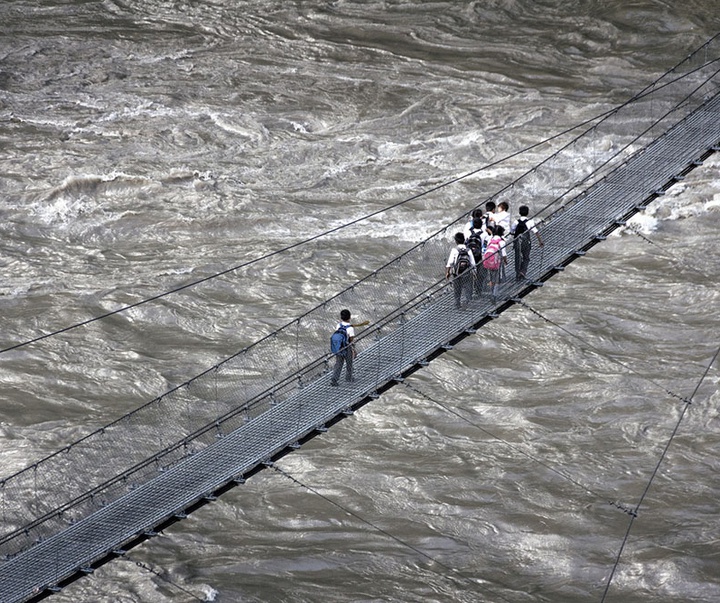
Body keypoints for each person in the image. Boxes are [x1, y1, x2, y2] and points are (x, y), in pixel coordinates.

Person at [510, 205, 544, 280]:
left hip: (517, 242)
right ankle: (523, 271)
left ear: (519, 212)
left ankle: (517, 274)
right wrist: (540, 241)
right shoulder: (530, 222)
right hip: (526, 242)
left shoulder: (516, 222)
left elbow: (511, 231)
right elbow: (536, 232)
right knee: (526, 257)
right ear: (527, 213)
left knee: (517, 258)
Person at [445, 232, 476, 309]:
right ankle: (466, 303)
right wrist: (475, 272)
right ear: (464, 240)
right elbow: (473, 263)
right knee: (467, 288)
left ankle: (457, 304)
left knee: (457, 289)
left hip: (456, 273)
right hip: (467, 273)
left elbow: (450, 263)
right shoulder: (468, 250)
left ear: (456, 241)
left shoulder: (454, 250)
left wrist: (448, 272)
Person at [330, 309, 356, 385]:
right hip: (347, 347)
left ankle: (334, 379)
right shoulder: (350, 328)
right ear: (349, 317)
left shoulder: (338, 325)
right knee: (349, 363)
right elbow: (351, 340)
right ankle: (349, 378)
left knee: (338, 363)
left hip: (339, 347)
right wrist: (353, 349)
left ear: (341, 317)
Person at [481, 224, 507, 297]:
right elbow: (504, 254)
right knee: (497, 280)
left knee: (491, 279)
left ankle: (491, 292)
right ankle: (494, 295)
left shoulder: (490, 240)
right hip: (497, 263)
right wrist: (505, 261)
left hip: (488, 261)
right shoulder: (501, 242)